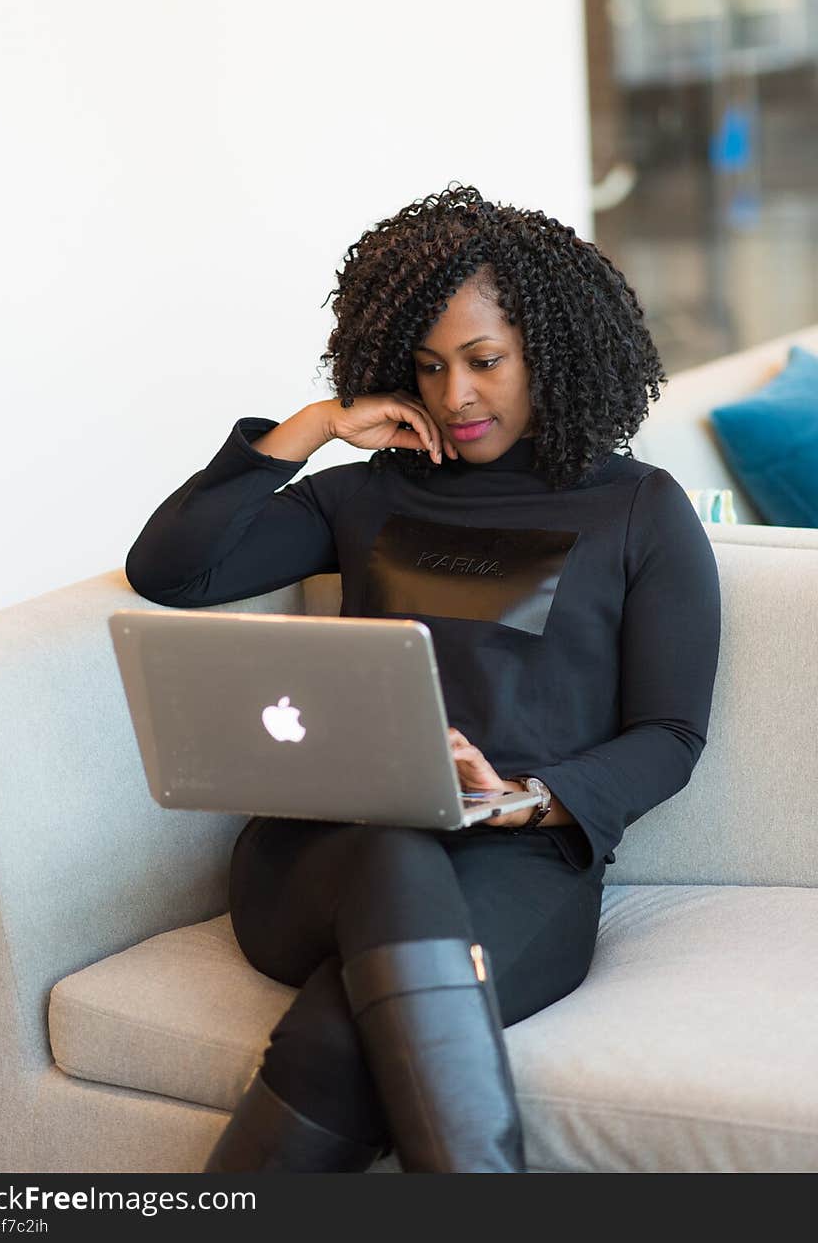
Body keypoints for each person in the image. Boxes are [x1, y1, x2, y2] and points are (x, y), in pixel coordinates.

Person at [124, 183, 722, 1174]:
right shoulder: (366, 493)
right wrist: (314, 425)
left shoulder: (638, 512)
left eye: (485, 362)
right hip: (319, 854)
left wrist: (526, 800)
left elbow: (668, 733)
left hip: (518, 864)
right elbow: (173, 570)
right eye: (429, 366)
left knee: (342, 1030)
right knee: (394, 849)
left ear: (552, 350)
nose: (455, 397)